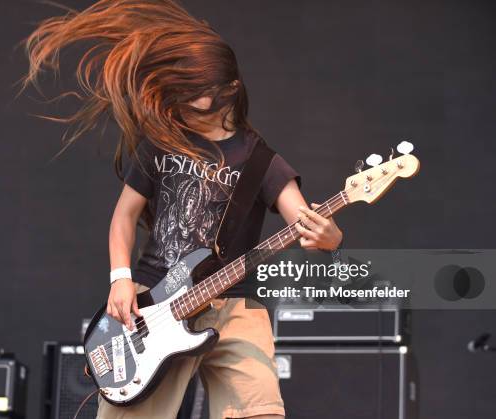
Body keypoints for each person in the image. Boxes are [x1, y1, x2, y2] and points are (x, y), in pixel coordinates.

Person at [22, 1, 343, 418]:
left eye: (194, 97)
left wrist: (330, 237)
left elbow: (305, 221)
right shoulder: (161, 143)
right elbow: (124, 216)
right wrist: (121, 279)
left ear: (227, 91)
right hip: (152, 303)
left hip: (235, 306)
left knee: (259, 412)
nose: (181, 105)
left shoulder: (262, 161)